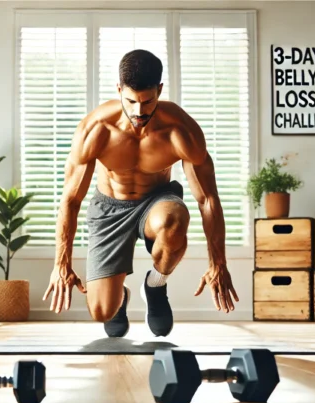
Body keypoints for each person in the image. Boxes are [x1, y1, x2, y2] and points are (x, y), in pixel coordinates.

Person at [42, 49, 239, 338]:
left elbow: (207, 199)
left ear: (159, 90)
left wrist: (218, 263)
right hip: (110, 208)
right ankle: (119, 295)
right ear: (119, 90)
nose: (139, 111)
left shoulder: (180, 131)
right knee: (102, 311)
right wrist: (61, 263)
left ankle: (156, 285)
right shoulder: (96, 129)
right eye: (131, 101)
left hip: (156, 201)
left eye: (147, 102)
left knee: (174, 222)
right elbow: (71, 200)